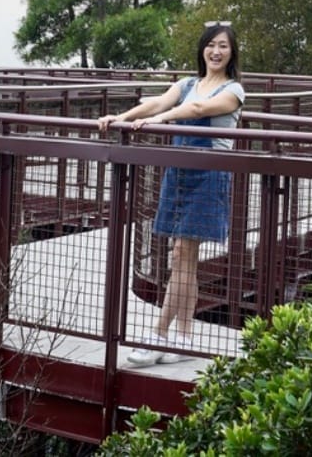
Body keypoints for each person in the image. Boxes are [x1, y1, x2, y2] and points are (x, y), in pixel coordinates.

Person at [97, 21, 244, 367]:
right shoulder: (188, 83)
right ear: (202, 49)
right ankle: (183, 338)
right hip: (178, 172)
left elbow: (196, 111)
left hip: (208, 174)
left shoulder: (234, 90)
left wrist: (164, 119)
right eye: (211, 45)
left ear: (232, 52)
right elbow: (155, 103)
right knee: (185, 261)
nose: (216, 51)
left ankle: (158, 336)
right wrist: (120, 116)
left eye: (223, 46)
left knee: (180, 254)